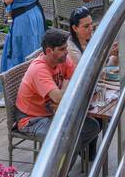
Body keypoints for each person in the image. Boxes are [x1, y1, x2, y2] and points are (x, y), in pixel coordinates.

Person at [14, 29, 100, 165]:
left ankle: (61, 162)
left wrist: (68, 85)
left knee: (92, 126)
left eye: (66, 47)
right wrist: (68, 86)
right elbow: (59, 98)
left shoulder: (62, 59)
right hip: (32, 119)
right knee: (68, 138)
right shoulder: (39, 69)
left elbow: (80, 78)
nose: (66, 52)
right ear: (49, 51)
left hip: (53, 112)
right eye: (61, 49)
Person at [0, 0, 50, 108]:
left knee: (17, 53)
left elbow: (8, 0)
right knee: (34, 51)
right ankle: (35, 89)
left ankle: (12, 94)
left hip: (22, 20)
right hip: (36, 15)